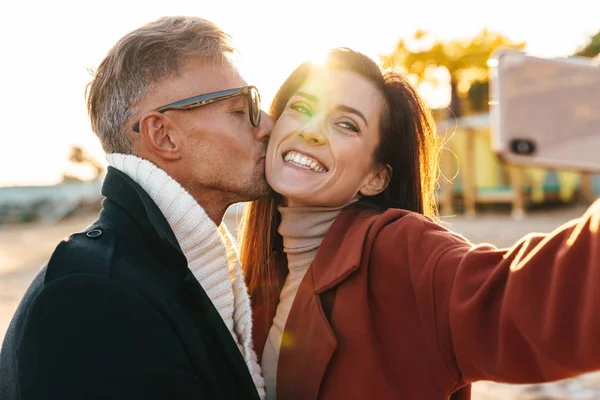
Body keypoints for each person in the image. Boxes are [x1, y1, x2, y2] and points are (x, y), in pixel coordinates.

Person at [239, 48, 600, 399]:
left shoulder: (401, 249)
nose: (311, 131)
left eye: (346, 124)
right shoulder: (257, 277)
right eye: (301, 108)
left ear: (376, 178)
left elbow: (534, 301)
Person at [0, 16, 271, 399]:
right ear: (163, 134)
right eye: (241, 110)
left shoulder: (173, 270)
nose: (268, 125)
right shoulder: (91, 299)